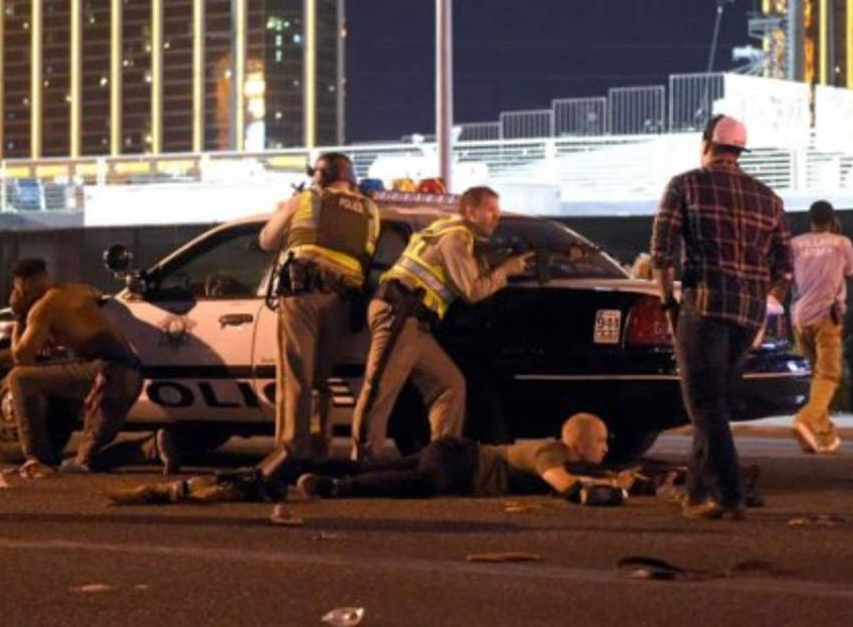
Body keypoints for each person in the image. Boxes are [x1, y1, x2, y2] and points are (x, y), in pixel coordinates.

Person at [650, 115, 791, 520]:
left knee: (702, 402)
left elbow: (661, 252)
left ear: (706, 143)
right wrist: (765, 306)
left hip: (705, 304)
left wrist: (667, 304)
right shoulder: (768, 197)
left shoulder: (686, 184)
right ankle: (696, 495)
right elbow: (784, 267)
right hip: (748, 314)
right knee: (716, 404)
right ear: (740, 151)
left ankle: (729, 494)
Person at [349, 185, 532, 462]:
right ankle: (363, 461)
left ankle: (443, 459)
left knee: (450, 384)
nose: (496, 217)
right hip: (399, 314)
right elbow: (472, 290)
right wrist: (506, 270)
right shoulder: (456, 237)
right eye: (490, 210)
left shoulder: (452, 233)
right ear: (470, 211)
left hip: (415, 323)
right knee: (379, 389)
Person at [258, 152, 379, 464]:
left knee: (296, 378)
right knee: (320, 382)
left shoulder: (306, 199)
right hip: (341, 301)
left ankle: (291, 454)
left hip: (303, 296)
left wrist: (285, 210)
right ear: (350, 178)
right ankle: (318, 450)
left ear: (319, 175)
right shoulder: (370, 210)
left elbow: (267, 240)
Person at [5, 259, 174, 476]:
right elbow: (97, 298)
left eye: (16, 288)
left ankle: (36, 459)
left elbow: (22, 359)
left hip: (107, 375)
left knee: (19, 378)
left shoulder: (41, 309)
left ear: (23, 287)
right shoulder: (78, 290)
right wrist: (56, 331)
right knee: (88, 459)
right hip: (131, 373)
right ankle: (152, 447)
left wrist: (18, 316)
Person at [293, 413, 633, 501]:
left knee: (379, 467)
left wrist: (616, 479)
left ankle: (299, 467)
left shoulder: (566, 458)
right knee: (421, 483)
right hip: (462, 462)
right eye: (600, 441)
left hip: (456, 453)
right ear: (580, 442)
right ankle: (334, 487)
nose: (605, 448)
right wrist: (609, 492)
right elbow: (564, 485)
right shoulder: (552, 453)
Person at [788, 200, 853, 454]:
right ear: (832, 219)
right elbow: (851, 270)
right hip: (826, 316)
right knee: (829, 375)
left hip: (799, 317)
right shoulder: (842, 243)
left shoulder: (795, 244)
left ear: (810, 219)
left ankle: (825, 436)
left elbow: (788, 276)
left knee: (816, 377)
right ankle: (804, 420)